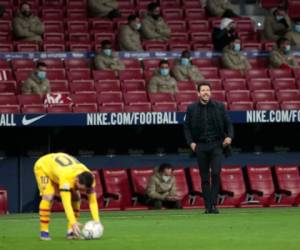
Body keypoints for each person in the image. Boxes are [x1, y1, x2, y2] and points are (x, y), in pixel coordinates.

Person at [183, 82, 234, 214]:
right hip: (200, 146)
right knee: (204, 177)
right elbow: (186, 128)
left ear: (210, 92)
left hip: (217, 144)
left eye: (207, 90)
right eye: (203, 90)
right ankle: (208, 206)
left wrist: (229, 137)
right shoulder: (191, 108)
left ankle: (213, 204)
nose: (206, 92)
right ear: (198, 93)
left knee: (216, 173)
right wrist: (191, 143)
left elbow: (229, 124)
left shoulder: (219, 106)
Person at [34, 152, 100, 240]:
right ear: (76, 180)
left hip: (59, 168)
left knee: (77, 197)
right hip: (43, 167)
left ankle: (71, 232)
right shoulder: (66, 179)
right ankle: (44, 231)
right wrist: (73, 222)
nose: (83, 191)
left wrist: (97, 221)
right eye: (80, 188)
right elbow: (66, 204)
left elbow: (92, 201)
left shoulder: (90, 179)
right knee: (48, 196)